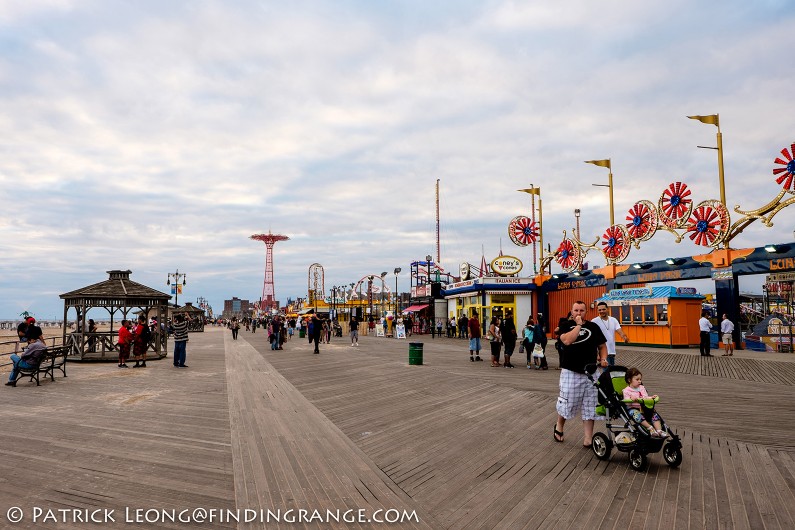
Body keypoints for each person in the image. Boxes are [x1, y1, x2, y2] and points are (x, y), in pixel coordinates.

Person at [554, 301, 608, 447]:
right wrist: (578, 325)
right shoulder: (566, 325)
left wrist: (603, 358)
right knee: (567, 402)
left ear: (586, 312)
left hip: (591, 372)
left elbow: (602, 346)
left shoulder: (593, 327)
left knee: (590, 405)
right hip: (571, 371)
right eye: (576, 310)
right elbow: (566, 341)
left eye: (582, 310)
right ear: (571, 312)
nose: (579, 313)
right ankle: (559, 426)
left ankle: (588, 438)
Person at [622, 367, 667, 438]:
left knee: (654, 415)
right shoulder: (626, 391)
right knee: (637, 415)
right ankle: (650, 427)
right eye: (637, 379)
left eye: (640, 379)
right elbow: (626, 402)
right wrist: (630, 398)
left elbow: (645, 397)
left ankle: (659, 430)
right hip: (633, 408)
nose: (639, 381)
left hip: (643, 407)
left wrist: (651, 397)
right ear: (629, 380)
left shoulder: (642, 388)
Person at [591, 301, 629, 366]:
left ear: (607, 309)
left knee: (611, 372)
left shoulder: (613, 320)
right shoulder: (594, 321)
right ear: (597, 310)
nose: (601, 311)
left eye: (603, 309)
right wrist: (597, 354)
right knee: (607, 373)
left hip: (612, 352)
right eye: (599, 310)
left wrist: (624, 337)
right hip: (603, 353)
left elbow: (620, 331)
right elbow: (592, 339)